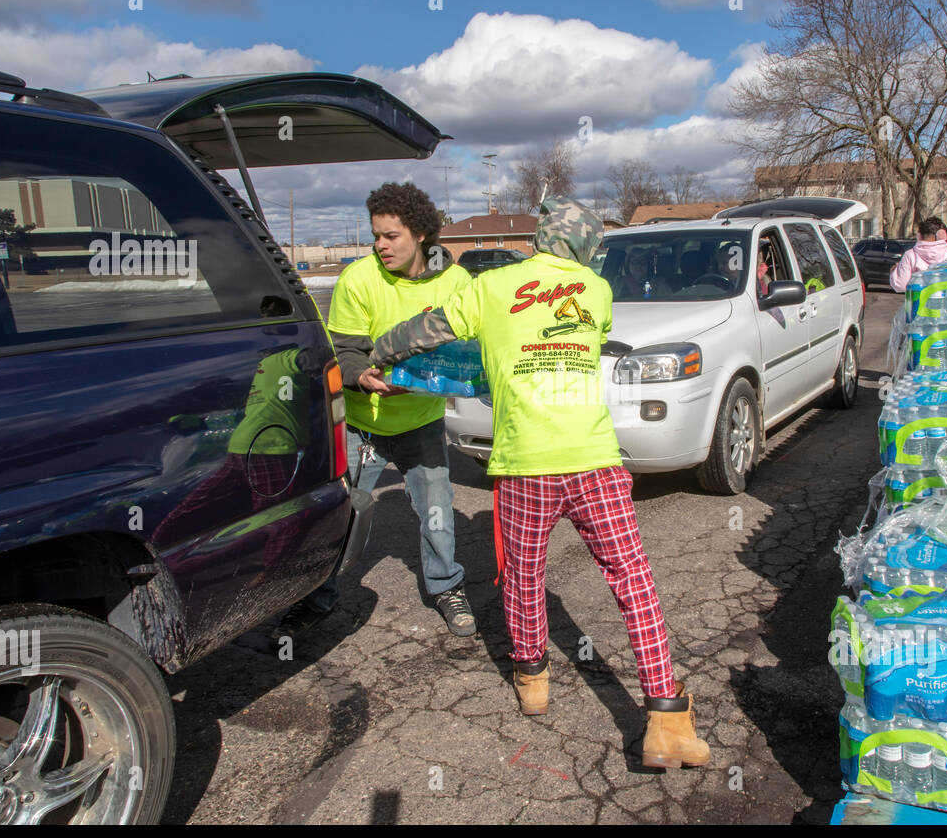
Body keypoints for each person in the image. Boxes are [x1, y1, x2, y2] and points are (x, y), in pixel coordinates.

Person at [361, 196, 710, 769]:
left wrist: (381, 351)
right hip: (594, 458)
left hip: (525, 463)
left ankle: (533, 679)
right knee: (633, 580)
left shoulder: (494, 285)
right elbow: (585, 344)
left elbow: (429, 330)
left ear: (540, 238)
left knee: (524, 573)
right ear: (586, 247)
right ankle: (667, 718)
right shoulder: (596, 292)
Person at [272, 182, 474, 644]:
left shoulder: (456, 282)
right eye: (375, 236)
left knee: (438, 512)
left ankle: (447, 588)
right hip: (362, 425)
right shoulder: (358, 279)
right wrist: (363, 377)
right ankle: (316, 595)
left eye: (391, 236)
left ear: (421, 234)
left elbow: (469, 349)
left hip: (421, 422)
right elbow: (341, 351)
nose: (381, 245)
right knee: (339, 513)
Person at [890, 217, 947, 292]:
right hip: (944, 301)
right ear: (943, 235)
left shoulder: (911, 255)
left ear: (919, 235)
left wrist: (894, 272)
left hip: (919, 301)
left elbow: (901, 286)